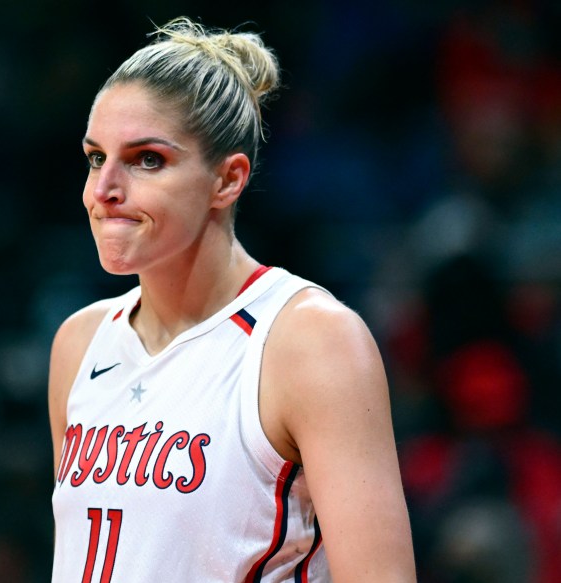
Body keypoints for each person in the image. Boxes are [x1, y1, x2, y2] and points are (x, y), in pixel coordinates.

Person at [48, 17, 415, 582]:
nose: (104, 190)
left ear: (228, 180)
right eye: (97, 157)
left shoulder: (310, 341)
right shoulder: (80, 342)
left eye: (147, 159)